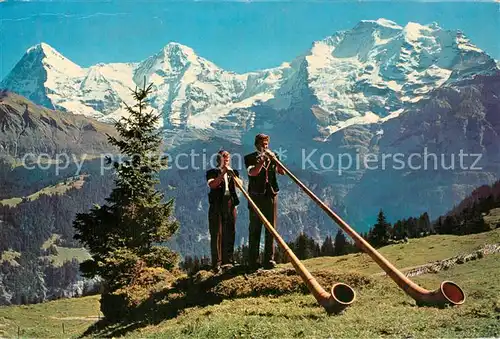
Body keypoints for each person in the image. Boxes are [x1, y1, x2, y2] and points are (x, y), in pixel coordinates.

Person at [244, 134, 285, 270]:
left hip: (271, 194)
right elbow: (253, 173)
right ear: (256, 145)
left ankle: (269, 259)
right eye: (262, 144)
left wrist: (275, 160)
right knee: (255, 228)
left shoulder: (274, 156)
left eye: (266, 144)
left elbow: (282, 172)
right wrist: (261, 162)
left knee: (271, 228)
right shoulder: (249, 158)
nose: (265, 147)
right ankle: (253, 261)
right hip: (256, 196)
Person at [206, 150, 242, 272]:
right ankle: (217, 263)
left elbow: (240, 185)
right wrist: (222, 174)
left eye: (227, 159)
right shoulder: (212, 172)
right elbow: (212, 185)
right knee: (216, 233)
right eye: (223, 159)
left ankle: (229, 260)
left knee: (230, 231)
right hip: (216, 204)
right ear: (218, 160)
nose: (226, 161)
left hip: (230, 203)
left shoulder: (234, 172)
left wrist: (232, 174)